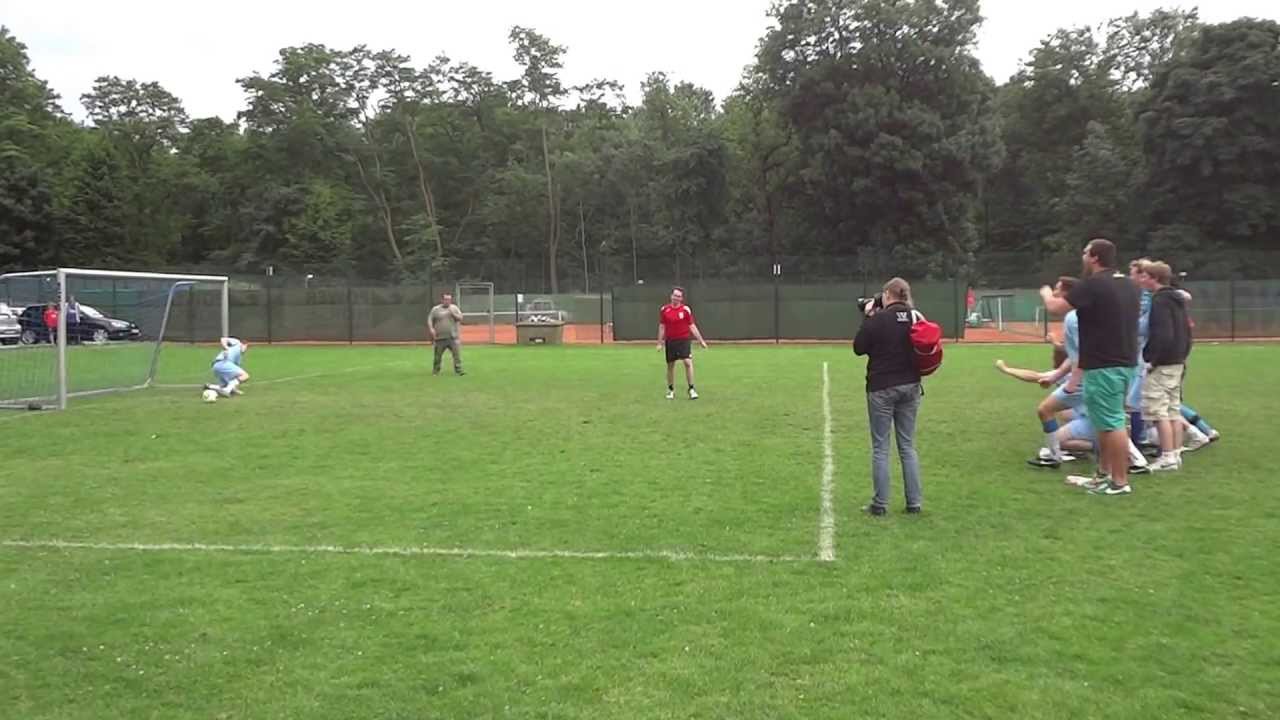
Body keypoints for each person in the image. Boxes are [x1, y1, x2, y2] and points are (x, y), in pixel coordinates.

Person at [1040, 238, 1141, 496]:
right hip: (1123, 361)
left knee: (1112, 423)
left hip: (1104, 364)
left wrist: (1045, 293)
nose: (1083, 256)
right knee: (1105, 421)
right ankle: (1103, 476)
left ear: (1095, 257)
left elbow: (1055, 308)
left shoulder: (1094, 284)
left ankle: (1119, 482)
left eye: (1085, 252)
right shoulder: (1128, 285)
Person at [853, 278, 924, 515]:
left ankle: (880, 504)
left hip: (882, 387)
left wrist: (868, 316)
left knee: (881, 447)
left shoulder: (879, 319)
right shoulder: (915, 316)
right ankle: (914, 502)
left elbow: (859, 347)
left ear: (886, 294)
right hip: (911, 385)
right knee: (907, 446)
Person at [1138, 261, 1192, 471]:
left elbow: (1162, 334)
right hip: (1177, 361)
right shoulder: (1177, 300)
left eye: (1144, 276)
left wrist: (1152, 360)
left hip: (1163, 364)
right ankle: (1175, 454)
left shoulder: (1159, 301)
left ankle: (1167, 457)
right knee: (1173, 409)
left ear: (1154, 278)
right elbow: (1186, 333)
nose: (1141, 280)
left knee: (1158, 411)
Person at [656, 287, 708, 399]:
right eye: (675, 295)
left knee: (687, 362)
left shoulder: (685, 310)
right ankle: (670, 390)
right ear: (671, 296)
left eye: (679, 296)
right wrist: (659, 343)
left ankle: (691, 389)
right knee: (670, 365)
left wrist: (701, 341)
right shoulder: (664, 309)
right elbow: (662, 326)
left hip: (683, 340)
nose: (676, 298)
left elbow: (692, 326)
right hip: (670, 341)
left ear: (681, 298)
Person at [428, 292, 465, 376]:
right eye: (446, 299)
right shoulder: (436, 309)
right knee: (437, 356)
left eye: (449, 299)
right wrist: (431, 328)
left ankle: (459, 370)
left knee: (457, 355)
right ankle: (435, 371)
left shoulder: (454, 308)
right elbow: (430, 319)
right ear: (442, 300)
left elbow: (460, 318)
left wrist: (453, 314)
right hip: (440, 337)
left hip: (453, 337)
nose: (447, 301)